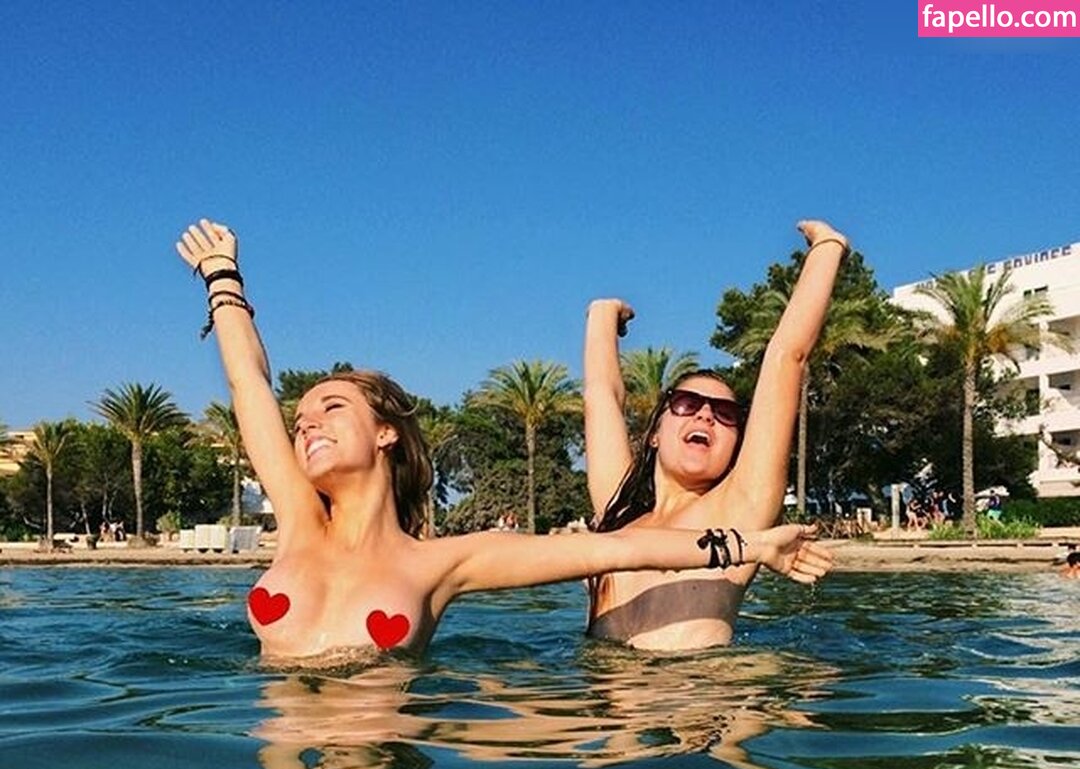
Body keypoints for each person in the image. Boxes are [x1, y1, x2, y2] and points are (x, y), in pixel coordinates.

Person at [176, 220, 832, 664]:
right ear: (655, 429)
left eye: (331, 406)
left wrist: (753, 544)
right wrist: (222, 279)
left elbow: (615, 549)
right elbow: (249, 386)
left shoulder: (443, 563)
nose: (306, 422)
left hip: (694, 706)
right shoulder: (298, 524)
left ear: (385, 433)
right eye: (300, 419)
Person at [582, 220, 848, 650]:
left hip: (700, 689)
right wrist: (603, 315)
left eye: (725, 414)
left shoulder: (739, 509)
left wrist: (827, 247)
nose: (706, 415)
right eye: (687, 403)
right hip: (600, 689)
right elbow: (601, 398)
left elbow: (787, 358)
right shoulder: (619, 510)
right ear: (654, 434)